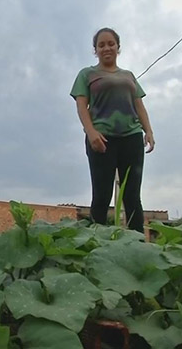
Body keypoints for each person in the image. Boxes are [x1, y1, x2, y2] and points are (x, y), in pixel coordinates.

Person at [70, 27, 155, 232]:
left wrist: (149, 131)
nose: (106, 48)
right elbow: (82, 106)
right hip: (102, 139)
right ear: (95, 50)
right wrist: (91, 133)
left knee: (132, 196)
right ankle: (96, 244)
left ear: (118, 47)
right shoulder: (87, 74)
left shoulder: (128, 76)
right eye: (101, 45)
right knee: (101, 194)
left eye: (111, 44)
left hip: (131, 137)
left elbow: (139, 105)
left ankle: (136, 245)